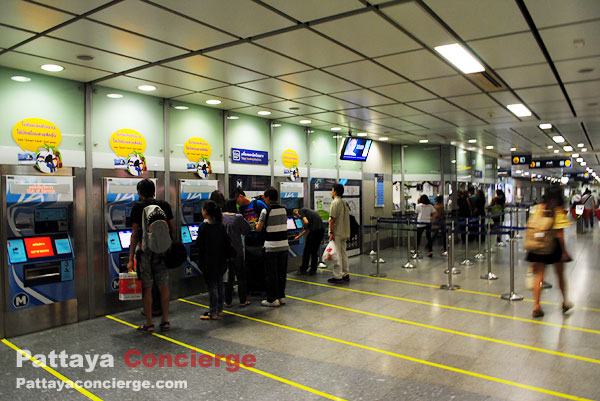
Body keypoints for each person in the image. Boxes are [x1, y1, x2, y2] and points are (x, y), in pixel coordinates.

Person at [127, 179, 174, 333]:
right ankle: (165, 320)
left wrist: (130, 259)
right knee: (163, 286)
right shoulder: (164, 205)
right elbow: (172, 229)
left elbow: (135, 234)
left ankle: (149, 323)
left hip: (145, 252)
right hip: (162, 251)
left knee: (147, 288)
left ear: (140, 192)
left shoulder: (138, 207)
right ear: (154, 190)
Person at [526, 186, 573, 318]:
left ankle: (536, 305)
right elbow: (560, 235)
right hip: (554, 247)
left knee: (539, 276)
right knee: (560, 275)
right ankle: (564, 301)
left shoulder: (537, 208)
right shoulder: (557, 211)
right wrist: (564, 252)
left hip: (538, 245)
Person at [195, 200, 232, 320]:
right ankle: (220, 310)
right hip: (221, 260)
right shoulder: (220, 225)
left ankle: (213, 312)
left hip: (208, 262)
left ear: (205, 211)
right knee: (220, 285)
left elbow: (200, 245)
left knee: (212, 287)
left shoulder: (203, 227)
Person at [256, 187, 289, 307]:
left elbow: (259, 228)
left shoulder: (266, 210)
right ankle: (281, 296)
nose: (264, 199)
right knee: (281, 272)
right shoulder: (284, 209)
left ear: (268, 198)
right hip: (284, 246)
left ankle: (272, 299)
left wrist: (256, 224)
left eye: (264, 197)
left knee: (271, 274)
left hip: (271, 247)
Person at [222, 197, 252, 307]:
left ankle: (227, 301)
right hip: (237, 251)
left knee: (228, 278)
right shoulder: (238, 217)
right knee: (240, 277)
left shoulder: (221, 216)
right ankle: (243, 300)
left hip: (225, 252)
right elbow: (247, 229)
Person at [327, 184, 350, 284]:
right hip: (345, 231)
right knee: (343, 253)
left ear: (335, 192)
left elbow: (332, 219)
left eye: (332, 190)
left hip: (337, 232)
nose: (331, 192)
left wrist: (331, 232)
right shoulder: (344, 202)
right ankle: (345, 273)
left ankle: (338, 276)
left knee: (337, 254)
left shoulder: (335, 203)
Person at [293, 207, 325, 275]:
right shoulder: (309, 213)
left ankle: (303, 269)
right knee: (314, 251)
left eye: (297, 216)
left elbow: (306, 222)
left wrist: (304, 226)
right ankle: (313, 269)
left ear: (296, 212)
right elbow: (306, 230)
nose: (298, 217)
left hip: (314, 231)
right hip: (321, 230)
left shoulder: (301, 211)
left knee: (307, 251)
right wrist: (298, 236)